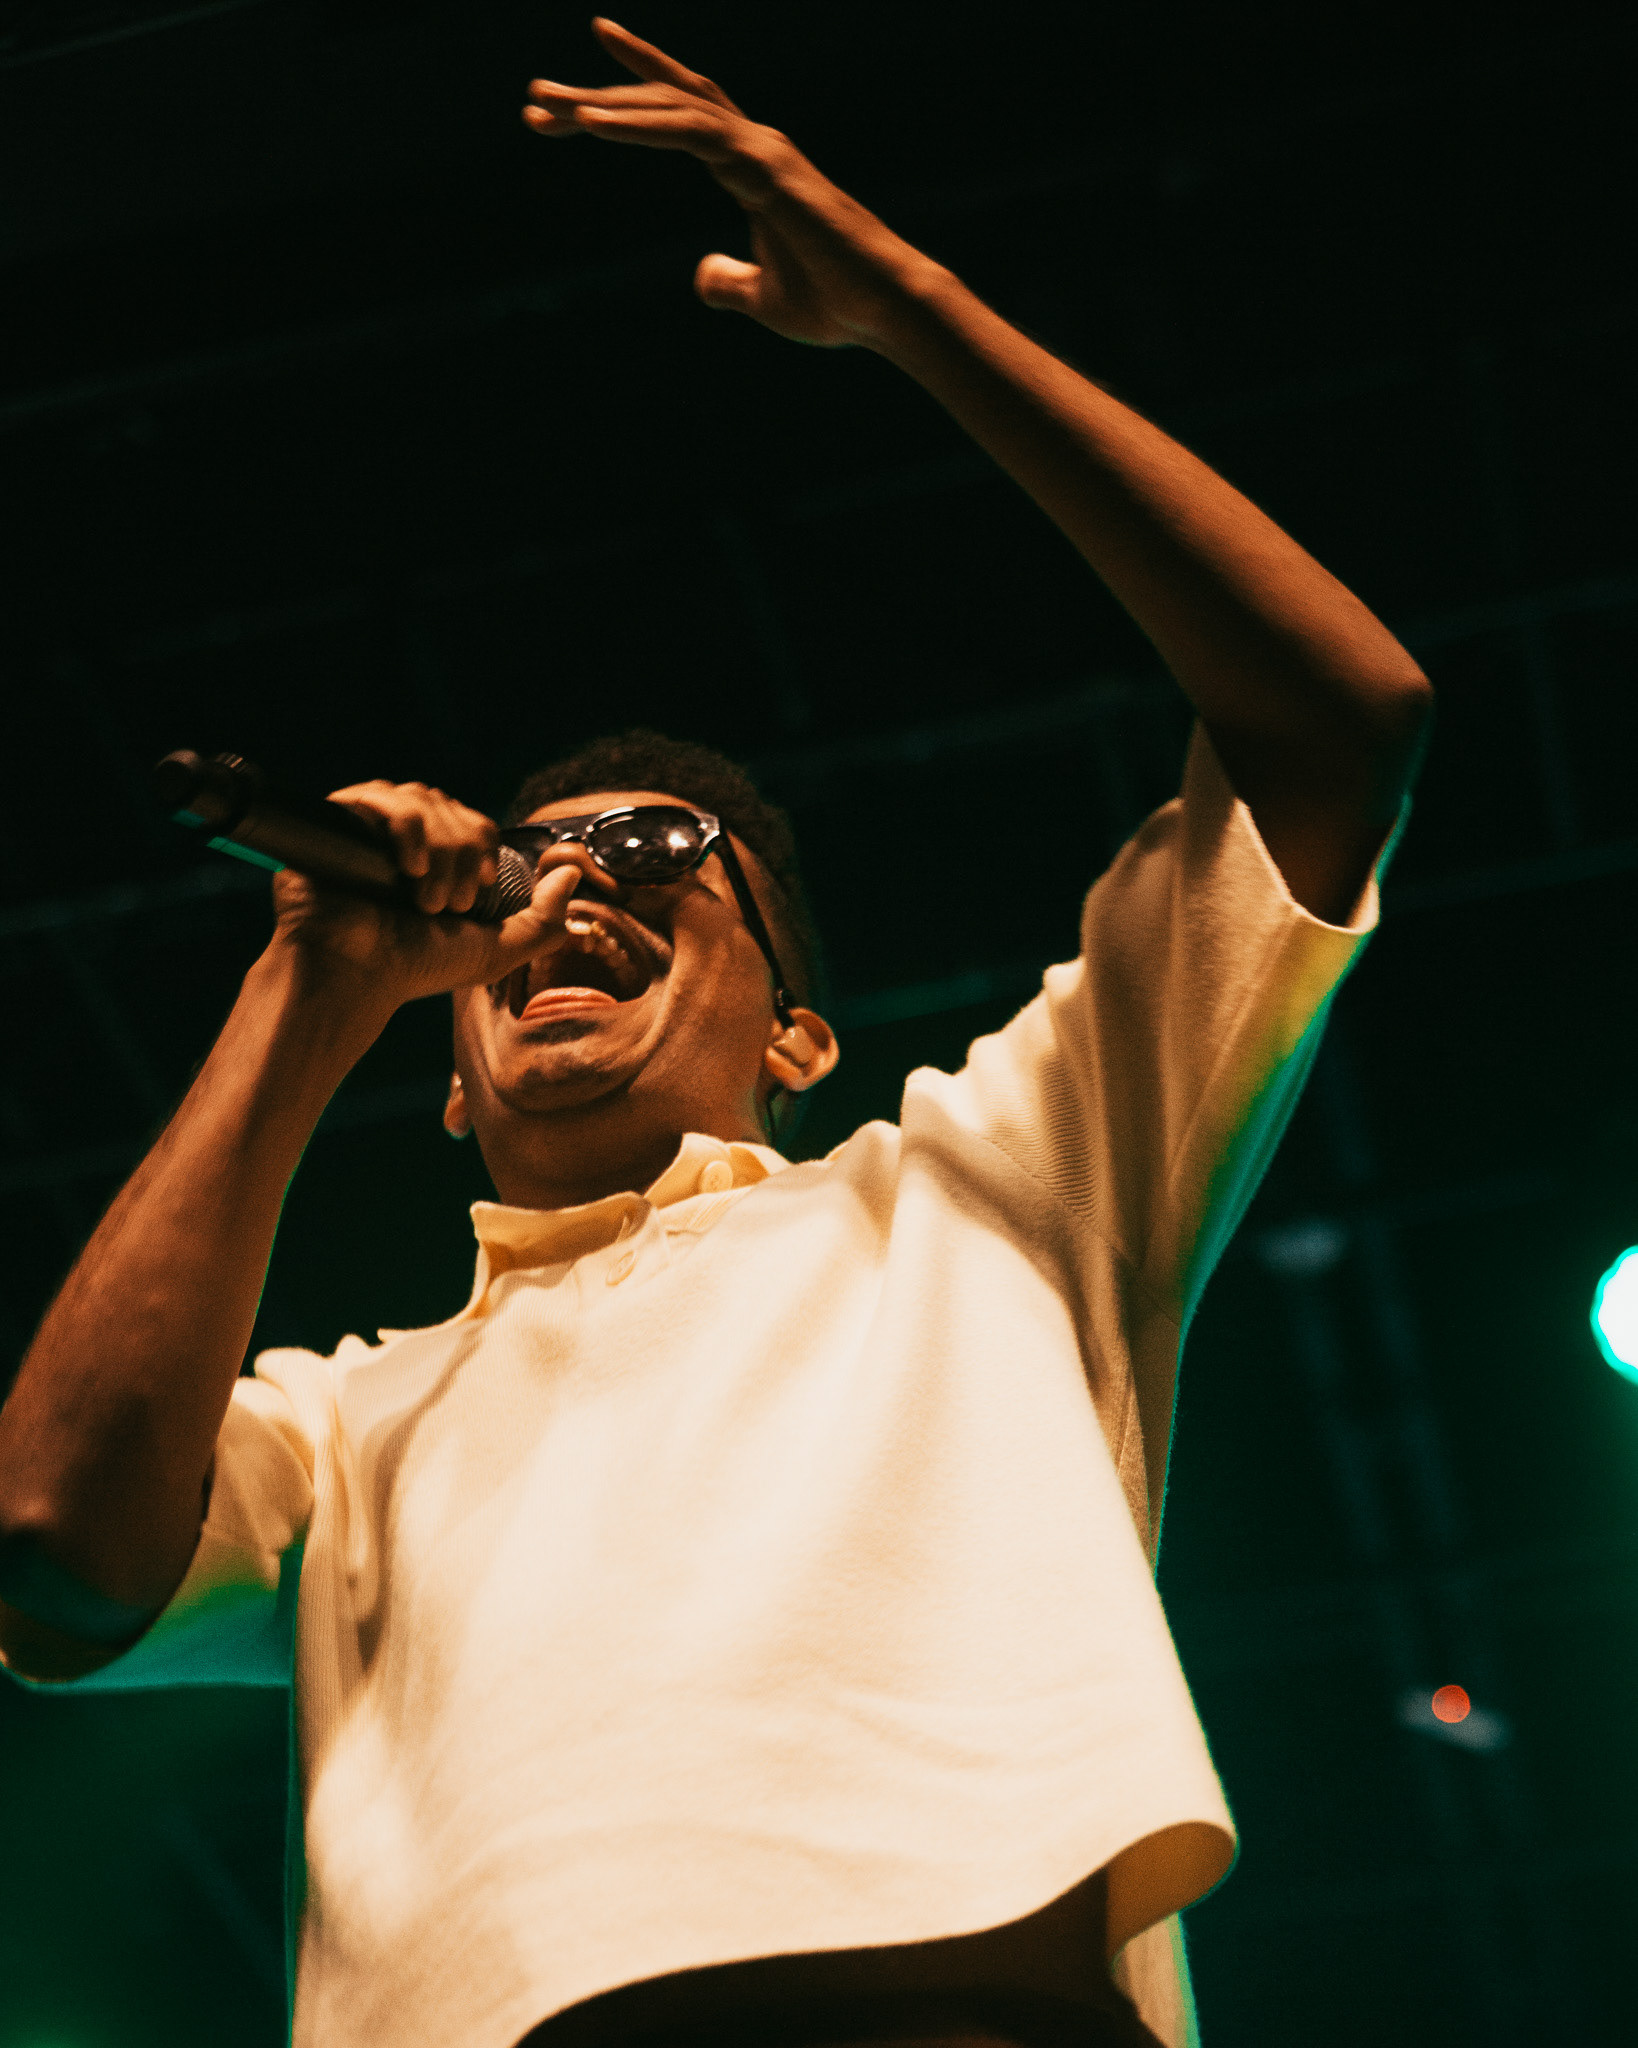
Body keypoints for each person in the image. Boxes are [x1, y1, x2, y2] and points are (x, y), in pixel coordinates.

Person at [0, 18, 1432, 2048]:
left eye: (659, 852)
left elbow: (1338, 719)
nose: (569, 890)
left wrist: (909, 305)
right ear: (448, 1068)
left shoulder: (988, 1191)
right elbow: (49, 1551)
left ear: (801, 1038)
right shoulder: (347, 1425)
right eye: (522, 871)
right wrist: (300, 990)